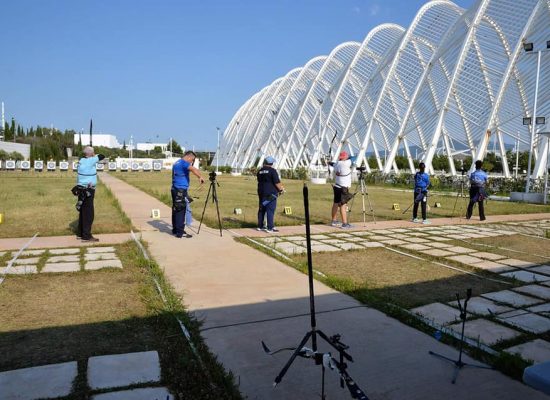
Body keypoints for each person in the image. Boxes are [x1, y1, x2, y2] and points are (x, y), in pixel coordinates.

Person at [172, 151, 204, 238]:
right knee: (180, 210)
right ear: (189, 157)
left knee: (176, 209)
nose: (191, 162)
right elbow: (194, 169)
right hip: (180, 190)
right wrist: (200, 177)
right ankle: (180, 233)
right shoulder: (183, 163)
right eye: (192, 160)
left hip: (175, 189)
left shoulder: (177, 162)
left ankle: (175, 229)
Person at [76, 146, 105, 242]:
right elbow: (102, 156)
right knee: (89, 213)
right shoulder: (91, 160)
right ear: (91, 153)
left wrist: (92, 155)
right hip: (88, 190)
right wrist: (94, 155)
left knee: (83, 212)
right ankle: (86, 236)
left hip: (80, 189)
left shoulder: (81, 161)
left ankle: (80, 233)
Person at [257, 156, 284, 232]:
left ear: (265, 162)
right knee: (270, 209)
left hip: (261, 193)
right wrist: (281, 190)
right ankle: (270, 227)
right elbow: (277, 182)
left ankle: (260, 226)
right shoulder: (272, 171)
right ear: (271, 163)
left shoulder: (259, 171)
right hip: (271, 194)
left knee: (262, 208)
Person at [331, 151, 353, 228]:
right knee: (343, 205)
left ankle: (334, 221)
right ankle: (344, 224)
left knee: (335, 203)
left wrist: (329, 162)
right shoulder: (347, 163)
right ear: (345, 158)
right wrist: (348, 157)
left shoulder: (337, 164)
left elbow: (331, 163)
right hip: (343, 188)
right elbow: (354, 158)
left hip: (337, 186)